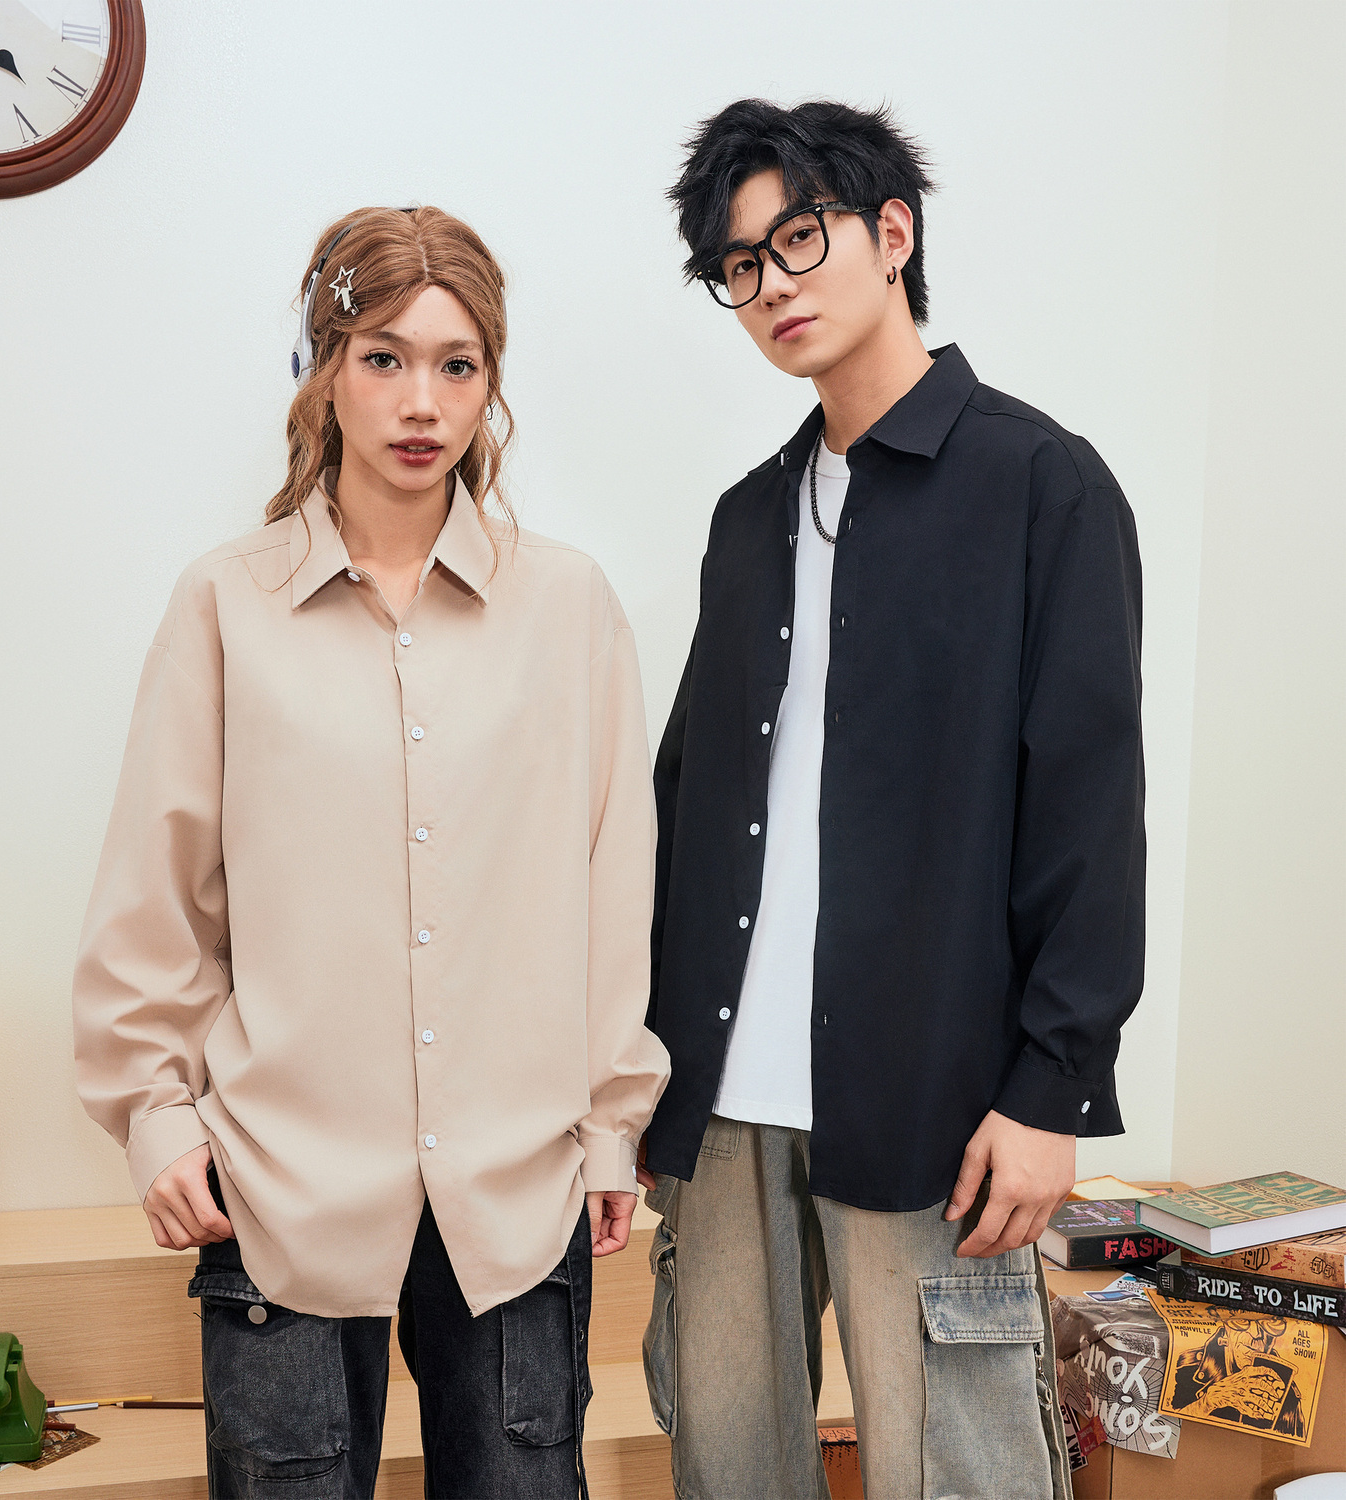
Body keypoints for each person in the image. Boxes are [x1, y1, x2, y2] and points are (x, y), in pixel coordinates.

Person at [72, 205, 669, 1500]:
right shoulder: (224, 602)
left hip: (517, 1188)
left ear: (491, 384)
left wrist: (611, 1127)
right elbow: (156, 893)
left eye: (458, 364)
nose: (421, 402)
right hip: (277, 1182)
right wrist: (155, 1117)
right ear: (325, 368)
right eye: (384, 357)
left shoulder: (568, 606)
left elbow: (612, 889)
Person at [639, 99, 1145, 1500]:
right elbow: (689, 803)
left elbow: (1089, 810)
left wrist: (1053, 1089)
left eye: (799, 237)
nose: (772, 284)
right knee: (728, 1468)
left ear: (894, 233)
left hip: (935, 1104)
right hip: (723, 1102)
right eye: (740, 265)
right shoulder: (750, 516)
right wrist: (643, 1074)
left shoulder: (1042, 485)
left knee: (961, 1472)